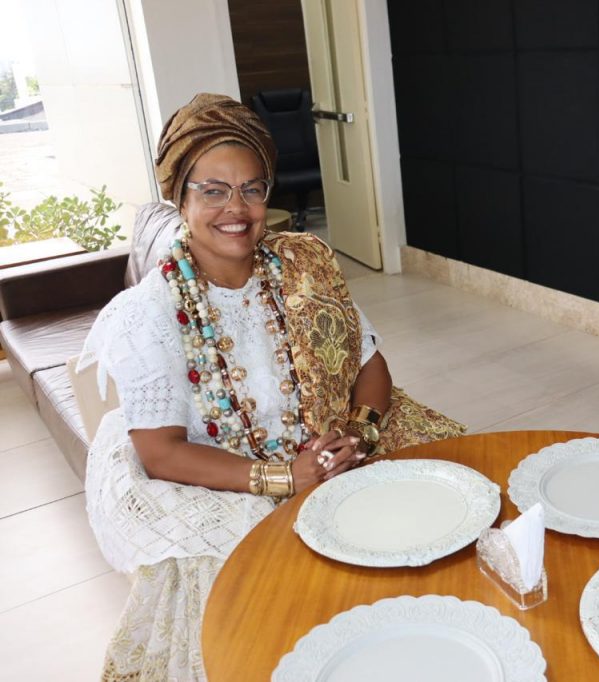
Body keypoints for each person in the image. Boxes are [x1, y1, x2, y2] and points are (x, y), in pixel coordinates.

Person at [78, 93, 465, 680]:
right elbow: (160, 451)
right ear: (179, 197)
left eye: (253, 189)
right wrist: (285, 478)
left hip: (332, 459)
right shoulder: (148, 312)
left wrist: (357, 433)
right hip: (227, 486)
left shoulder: (302, 265)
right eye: (212, 190)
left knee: (448, 533)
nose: (237, 208)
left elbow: (370, 363)